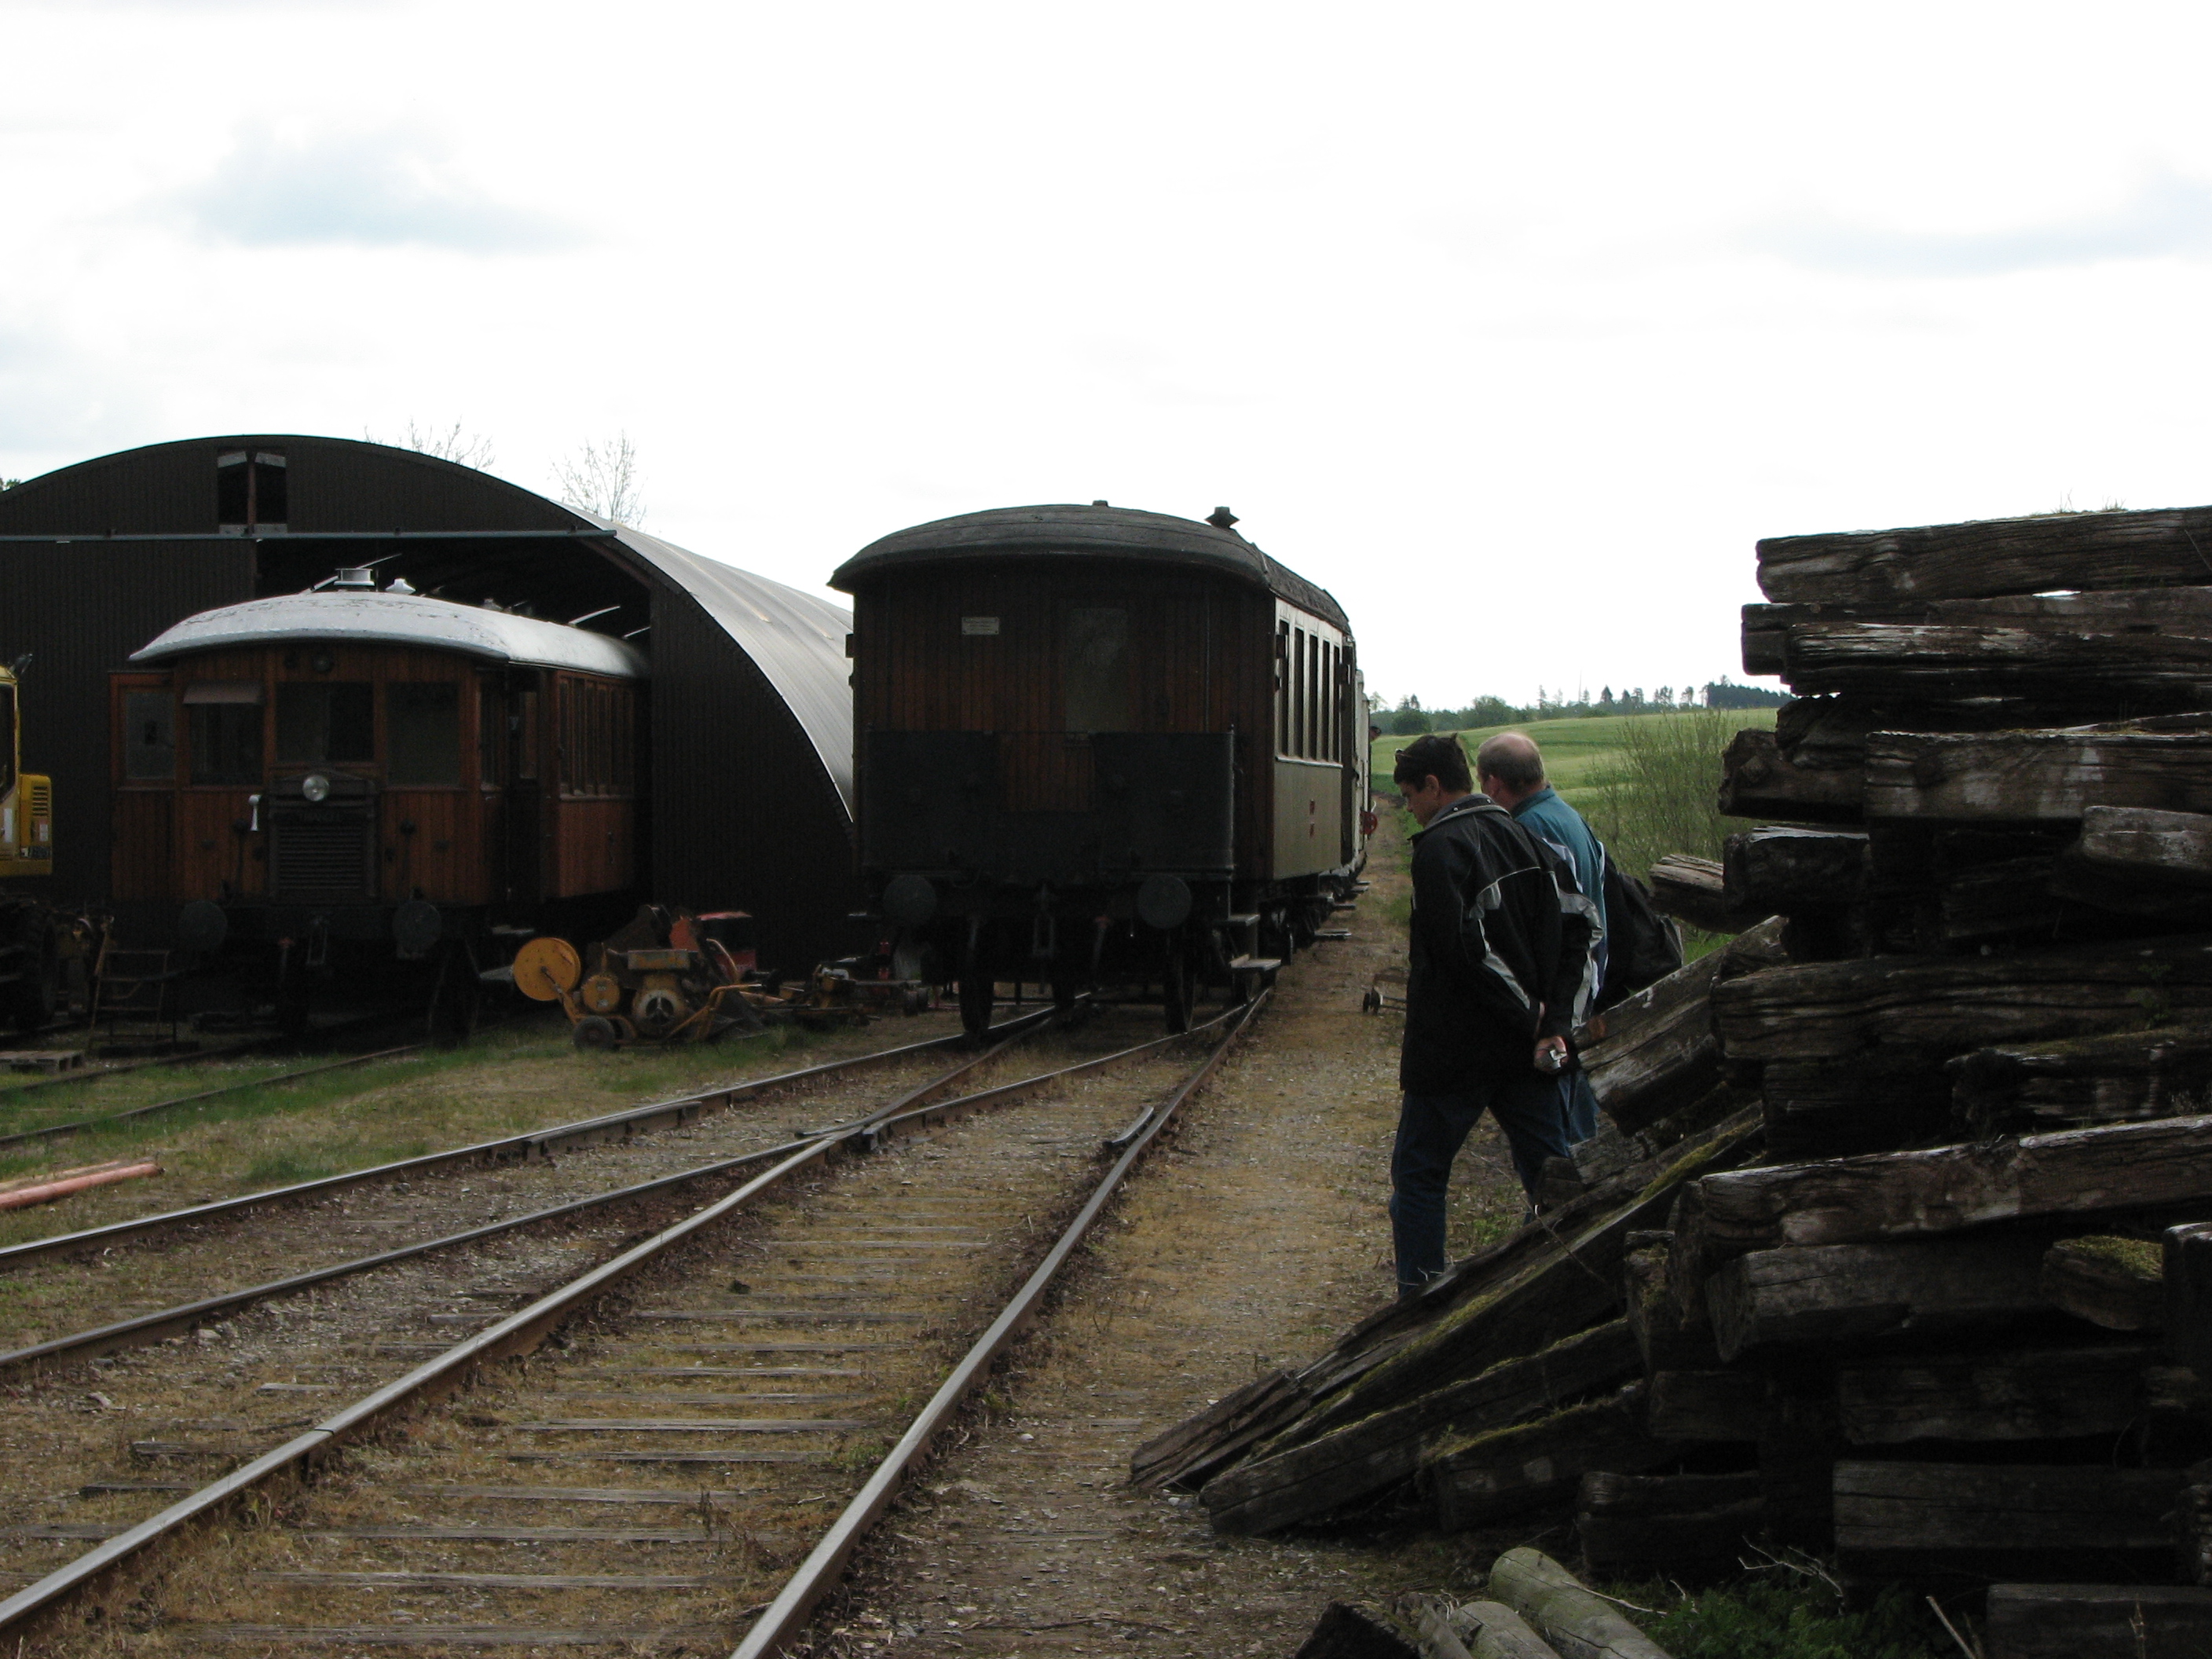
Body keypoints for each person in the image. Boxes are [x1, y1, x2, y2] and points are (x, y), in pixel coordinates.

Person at [1389, 732, 1595, 1298]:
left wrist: (1533, 1017)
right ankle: (1569, 1285)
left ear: (1434, 786)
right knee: (1550, 1173)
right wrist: (1555, 1022)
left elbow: (1463, 950)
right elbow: (1583, 929)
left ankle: (1420, 1300)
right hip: (1524, 1052)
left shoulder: (1440, 849)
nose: (1410, 809)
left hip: (1454, 1052)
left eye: (1410, 796)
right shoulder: (1530, 840)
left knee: (1420, 1175)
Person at [1474, 731, 1606, 1144]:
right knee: (1575, 1109)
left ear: (1494, 782)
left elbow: (1556, 924)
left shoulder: (1531, 829)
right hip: (1585, 983)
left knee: (1559, 1125)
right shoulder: (1569, 817)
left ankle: (1570, 1180)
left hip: (1561, 997)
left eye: (1482, 782)